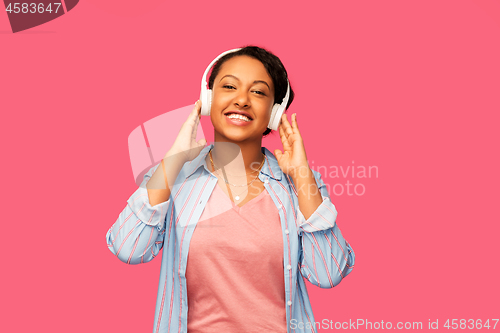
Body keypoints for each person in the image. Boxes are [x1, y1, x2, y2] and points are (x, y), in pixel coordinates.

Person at [106, 46, 355, 333]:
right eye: (229, 86)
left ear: (275, 113)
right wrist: (173, 160)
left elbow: (328, 273)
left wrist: (301, 175)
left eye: (258, 92)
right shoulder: (173, 176)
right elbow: (128, 249)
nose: (242, 100)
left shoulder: (301, 183)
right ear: (209, 98)